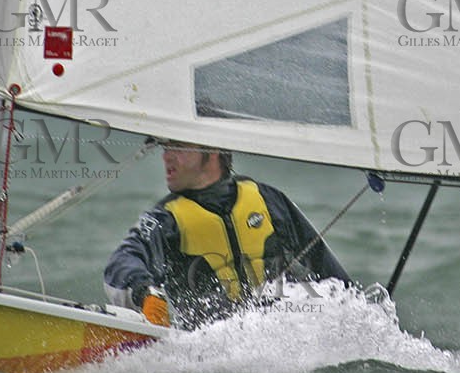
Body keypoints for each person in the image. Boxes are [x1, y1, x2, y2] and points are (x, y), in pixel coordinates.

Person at [103, 140, 351, 329]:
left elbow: (330, 274)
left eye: (177, 147)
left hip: (283, 339)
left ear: (211, 151)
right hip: (209, 354)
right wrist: (145, 293)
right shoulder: (165, 219)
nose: (167, 157)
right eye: (165, 148)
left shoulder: (267, 200)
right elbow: (122, 262)